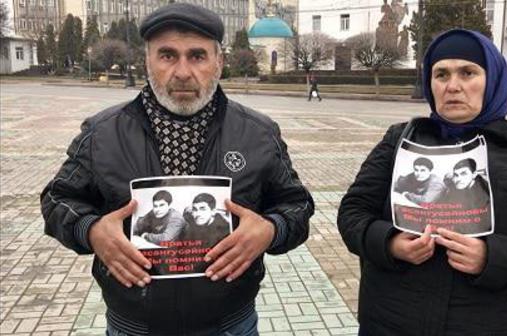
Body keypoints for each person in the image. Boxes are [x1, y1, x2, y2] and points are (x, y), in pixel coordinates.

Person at [40, 3, 314, 335]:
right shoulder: (103, 134)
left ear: (219, 62)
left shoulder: (258, 133)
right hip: (134, 326)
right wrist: (91, 230)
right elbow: (57, 200)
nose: (183, 72)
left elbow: (297, 206)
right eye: (167, 56)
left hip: (230, 325)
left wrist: (272, 229)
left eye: (197, 56)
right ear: (147, 61)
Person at [337, 29, 507, 335]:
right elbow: (352, 213)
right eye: (441, 74)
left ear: (491, 79)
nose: (453, 86)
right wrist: (389, 243)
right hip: (389, 321)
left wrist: (492, 258)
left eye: (468, 73)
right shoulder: (399, 140)